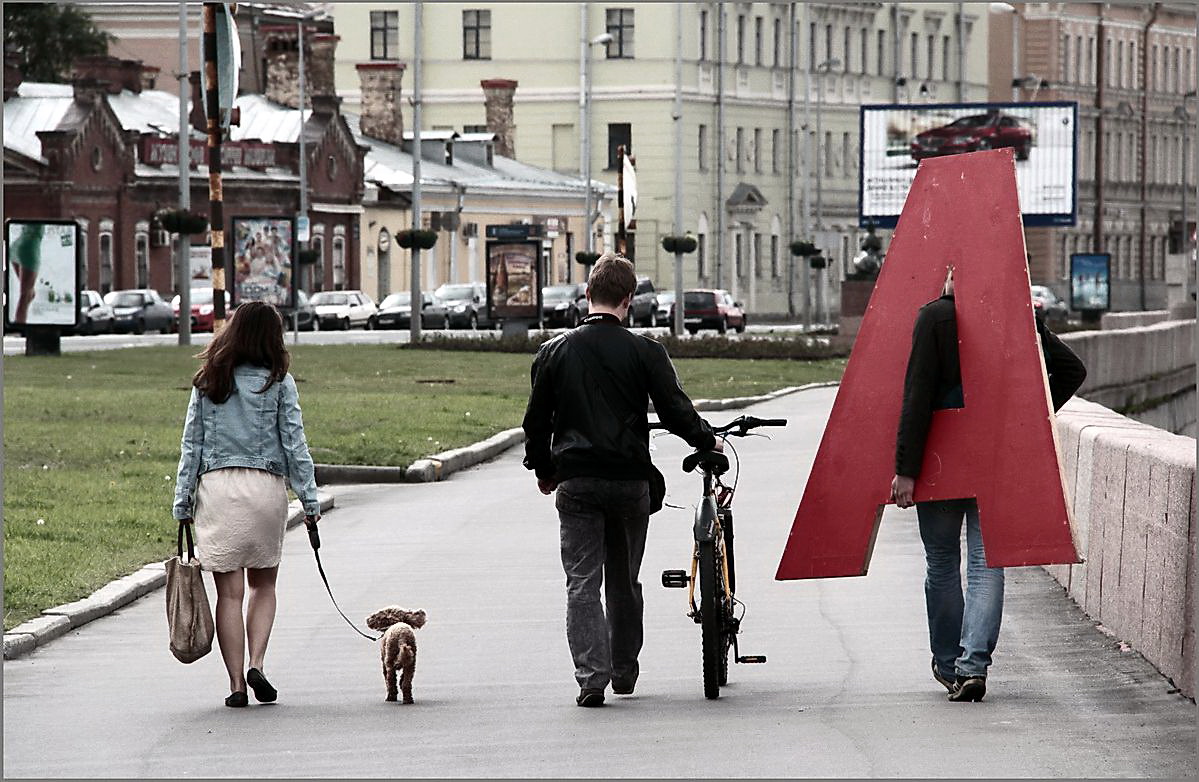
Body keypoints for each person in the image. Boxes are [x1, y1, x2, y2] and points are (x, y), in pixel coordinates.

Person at [522, 253, 720, 708]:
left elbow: (536, 423)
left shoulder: (554, 352)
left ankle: (592, 678)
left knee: (581, 582)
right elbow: (673, 411)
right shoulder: (646, 351)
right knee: (624, 580)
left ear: (586, 295)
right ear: (628, 301)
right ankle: (625, 671)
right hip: (631, 484)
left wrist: (545, 470)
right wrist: (705, 441)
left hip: (577, 484)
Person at [890, 268, 1086, 703]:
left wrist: (906, 469)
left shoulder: (935, 318)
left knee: (941, 561)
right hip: (995, 460)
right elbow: (1071, 370)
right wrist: (1029, 415)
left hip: (941, 462)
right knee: (986, 562)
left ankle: (947, 664)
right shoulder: (1015, 316)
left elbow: (916, 396)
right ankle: (973, 665)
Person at [173, 301, 321, 708]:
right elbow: (295, 446)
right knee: (264, 585)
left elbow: (192, 446)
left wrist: (182, 501)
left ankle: (237, 684)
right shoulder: (279, 383)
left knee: (230, 595)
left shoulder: (208, 380)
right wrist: (309, 499)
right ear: (273, 338)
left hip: (217, 491)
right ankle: (258, 662)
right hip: (265, 491)